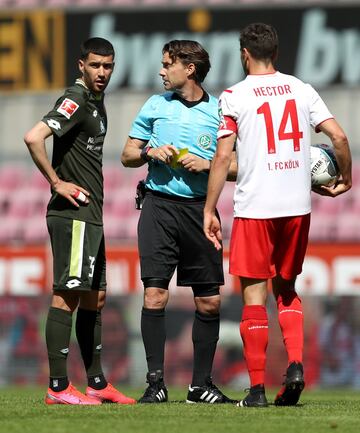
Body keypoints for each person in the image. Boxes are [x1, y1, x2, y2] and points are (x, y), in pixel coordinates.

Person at [203, 23, 352, 407]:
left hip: (256, 208)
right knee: (286, 290)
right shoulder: (302, 90)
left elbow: (222, 155)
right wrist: (346, 179)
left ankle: (256, 390)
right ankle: (297, 365)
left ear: (244, 55)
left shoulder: (234, 96)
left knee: (254, 298)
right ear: (277, 53)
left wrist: (209, 208)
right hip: (296, 207)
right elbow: (339, 138)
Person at [121, 39, 236, 404]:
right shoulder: (156, 105)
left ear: (189, 69)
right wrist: (149, 152)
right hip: (158, 207)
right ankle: (155, 384)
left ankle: (200, 385)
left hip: (200, 210)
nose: (160, 70)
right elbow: (126, 155)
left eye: (167, 64)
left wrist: (209, 165)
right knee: (155, 295)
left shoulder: (221, 112)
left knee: (209, 303)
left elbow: (239, 165)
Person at [24, 37, 136, 405]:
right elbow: (33, 137)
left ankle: (97, 382)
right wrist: (57, 183)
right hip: (72, 214)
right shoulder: (74, 100)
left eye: (108, 66)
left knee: (95, 296)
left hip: (91, 214)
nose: (102, 72)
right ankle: (57, 387)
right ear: (81, 65)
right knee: (67, 294)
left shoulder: (95, 102)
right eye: (96, 66)